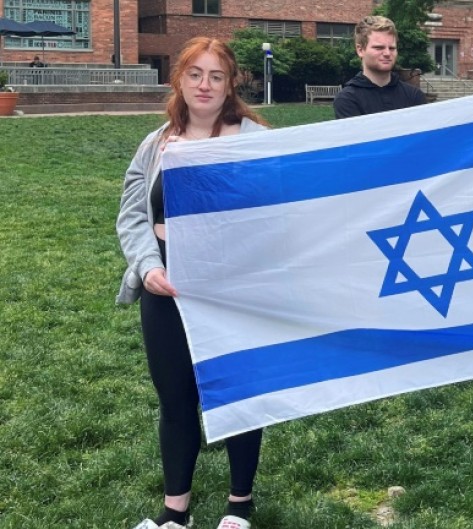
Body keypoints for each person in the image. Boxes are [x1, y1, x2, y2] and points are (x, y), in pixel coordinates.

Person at [116, 37, 270, 529]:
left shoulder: (252, 139)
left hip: (232, 283)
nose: (205, 85)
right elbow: (132, 215)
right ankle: (173, 512)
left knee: (237, 388)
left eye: (216, 76)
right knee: (175, 395)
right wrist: (146, 266)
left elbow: (274, 213)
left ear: (230, 85)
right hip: (166, 281)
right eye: (195, 74)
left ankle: (239, 505)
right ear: (179, 80)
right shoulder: (157, 141)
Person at [333, 15, 426, 118]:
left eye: (391, 48)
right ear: (360, 50)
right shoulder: (348, 99)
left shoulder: (414, 96)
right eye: (379, 48)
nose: (387, 53)